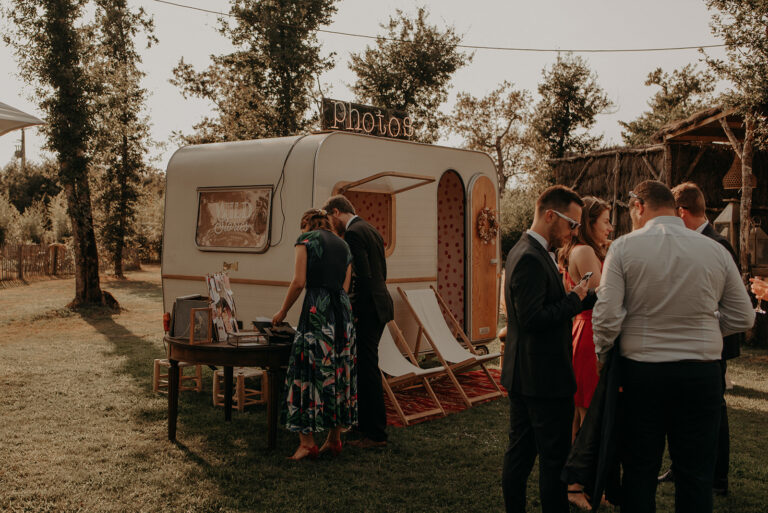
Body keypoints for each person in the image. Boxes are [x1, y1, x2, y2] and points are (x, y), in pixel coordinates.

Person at [592, 180, 754, 513]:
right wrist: (706, 331)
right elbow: (743, 316)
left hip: (642, 374)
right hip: (701, 373)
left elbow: (606, 317)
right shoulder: (714, 250)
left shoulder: (623, 248)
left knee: (639, 470)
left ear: (639, 207)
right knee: (695, 475)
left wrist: (604, 356)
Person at [502, 185, 596, 513]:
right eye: (572, 224)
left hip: (525, 374)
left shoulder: (529, 250)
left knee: (521, 454)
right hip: (542, 378)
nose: (574, 232)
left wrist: (584, 295)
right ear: (550, 216)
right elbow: (533, 318)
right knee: (552, 460)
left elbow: (545, 305)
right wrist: (575, 300)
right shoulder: (529, 256)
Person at [653, 182, 743, 496]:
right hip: (688, 341)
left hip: (712, 340)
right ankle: (680, 467)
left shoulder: (718, 244)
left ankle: (718, 479)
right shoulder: (689, 242)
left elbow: (732, 300)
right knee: (683, 406)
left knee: (714, 411)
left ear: (681, 212)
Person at [272, 208, 357, 460]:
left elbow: (299, 281)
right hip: (342, 314)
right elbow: (345, 286)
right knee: (338, 371)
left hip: (317, 312)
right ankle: (334, 439)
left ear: (305, 223)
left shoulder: (305, 240)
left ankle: (307, 442)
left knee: (307, 370)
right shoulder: (344, 246)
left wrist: (282, 311)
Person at [323, 195, 394, 448]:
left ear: (335, 212)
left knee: (367, 369)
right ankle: (365, 425)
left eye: (330, 220)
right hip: (380, 303)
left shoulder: (353, 233)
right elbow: (381, 272)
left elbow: (361, 276)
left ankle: (375, 434)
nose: (332, 227)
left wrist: (349, 307)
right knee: (365, 367)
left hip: (368, 308)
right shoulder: (370, 228)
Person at [557, 196, 612, 509]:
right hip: (590, 333)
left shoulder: (576, 250)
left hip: (581, 330)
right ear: (589, 223)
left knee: (581, 415)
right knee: (587, 416)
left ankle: (580, 483)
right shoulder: (586, 251)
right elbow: (604, 296)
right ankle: (577, 485)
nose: (609, 227)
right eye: (604, 221)